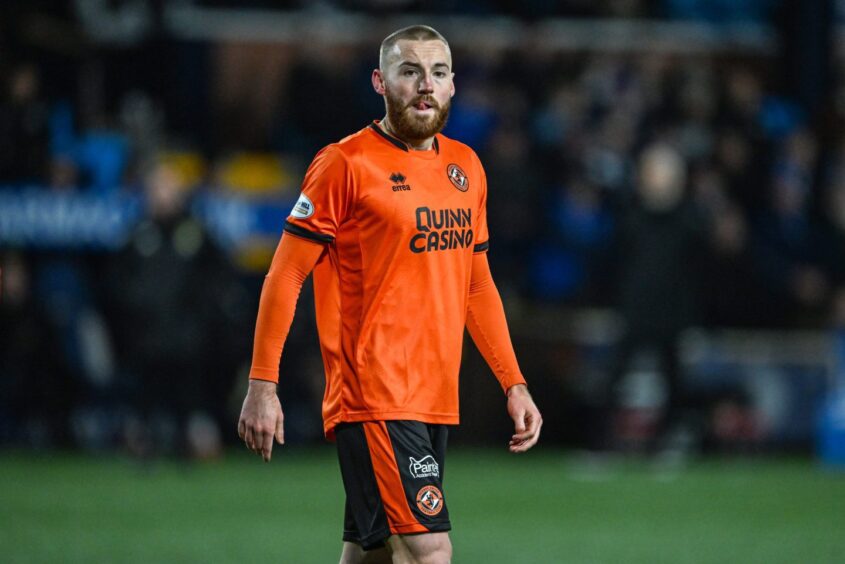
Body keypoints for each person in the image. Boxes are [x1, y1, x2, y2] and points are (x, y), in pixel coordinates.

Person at [237, 25, 542, 564]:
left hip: (433, 395)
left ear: (453, 87)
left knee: (370, 551)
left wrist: (514, 383)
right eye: (410, 72)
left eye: (439, 73)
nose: (426, 85)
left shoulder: (466, 168)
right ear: (380, 82)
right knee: (429, 549)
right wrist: (263, 384)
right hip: (375, 390)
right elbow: (285, 275)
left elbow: (477, 284)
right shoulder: (345, 164)